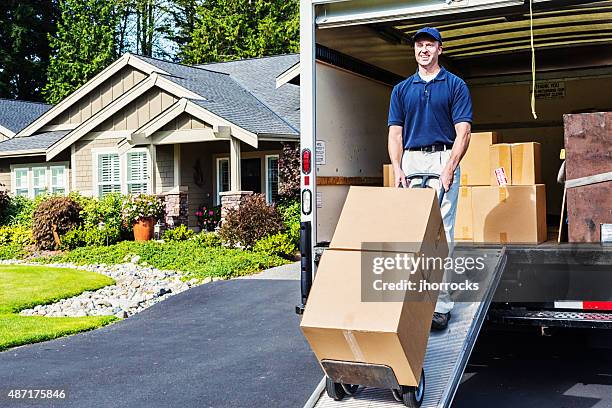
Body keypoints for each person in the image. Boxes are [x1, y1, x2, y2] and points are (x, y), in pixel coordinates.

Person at [387, 27, 472, 331]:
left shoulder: (455, 85)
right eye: (419, 45)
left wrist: (450, 166)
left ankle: (441, 306)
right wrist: (397, 168)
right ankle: (411, 300)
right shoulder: (402, 89)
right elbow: (395, 133)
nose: (423, 49)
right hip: (411, 160)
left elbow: (464, 130)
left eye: (429, 45)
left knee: (441, 234)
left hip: (442, 158)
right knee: (411, 234)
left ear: (440, 49)